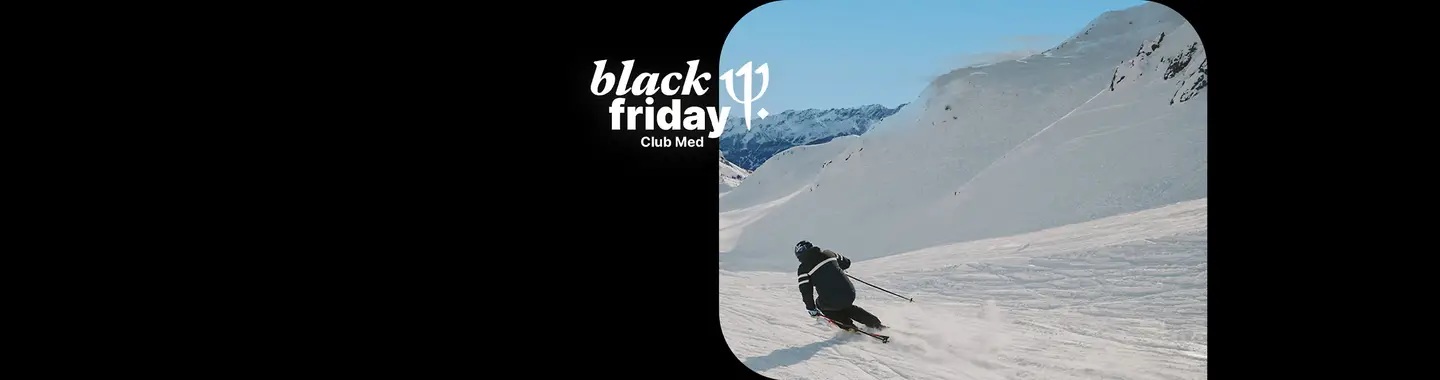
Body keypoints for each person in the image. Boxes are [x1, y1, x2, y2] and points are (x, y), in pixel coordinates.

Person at [794, 240, 886, 332]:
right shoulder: (828, 253)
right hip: (849, 293)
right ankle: (876, 324)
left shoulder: (803, 269)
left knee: (822, 305)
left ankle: (849, 327)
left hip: (831, 300)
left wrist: (811, 308)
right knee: (846, 306)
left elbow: (806, 292)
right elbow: (847, 263)